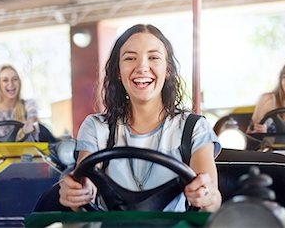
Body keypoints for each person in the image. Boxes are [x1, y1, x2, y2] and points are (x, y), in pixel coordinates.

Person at [59, 24, 222, 212]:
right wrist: (77, 191)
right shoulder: (96, 127)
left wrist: (206, 195)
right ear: (118, 72)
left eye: (153, 57)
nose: (142, 67)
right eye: (130, 58)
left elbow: (212, 196)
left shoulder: (193, 127)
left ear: (167, 69)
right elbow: (86, 181)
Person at [0, 64, 39, 143]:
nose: (11, 84)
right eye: (5, 80)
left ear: (19, 82)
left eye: (14, 79)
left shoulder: (28, 104)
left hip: (27, 153)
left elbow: (33, 119)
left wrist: (30, 125)